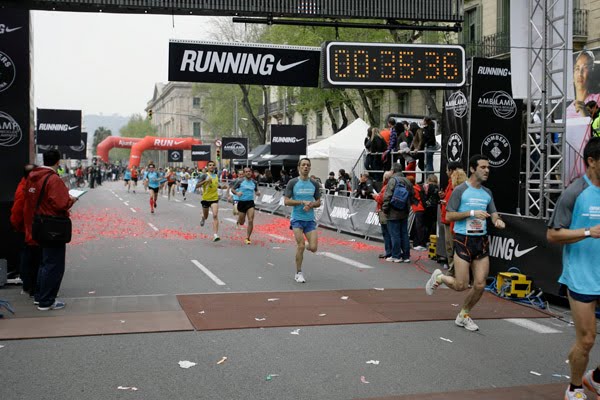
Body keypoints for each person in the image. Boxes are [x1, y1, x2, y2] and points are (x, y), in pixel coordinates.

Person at [425, 155, 506, 332]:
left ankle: (463, 315)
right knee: (461, 285)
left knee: (480, 284)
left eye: (488, 168)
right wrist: (471, 213)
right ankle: (440, 277)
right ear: (472, 169)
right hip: (463, 240)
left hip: (481, 241)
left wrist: (497, 221)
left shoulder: (487, 192)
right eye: (483, 167)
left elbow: (493, 213)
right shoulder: (460, 190)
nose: (487, 170)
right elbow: (449, 215)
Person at [547, 137, 600, 400]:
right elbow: (553, 235)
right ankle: (575, 387)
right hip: (581, 275)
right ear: (592, 161)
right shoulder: (574, 192)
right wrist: (589, 231)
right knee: (587, 339)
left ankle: (596, 378)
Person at [24, 150, 78, 311]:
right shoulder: (53, 179)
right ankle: (46, 300)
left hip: (38, 223)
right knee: (53, 264)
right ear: (58, 162)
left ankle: (40, 296)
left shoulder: (33, 176)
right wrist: (72, 200)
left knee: (44, 262)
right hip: (52, 227)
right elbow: (61, 203)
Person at [284, 158, 322, 283]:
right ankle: (298, 273)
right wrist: (301, 202)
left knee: (313, 248)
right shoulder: (293, 182)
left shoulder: (314, 183)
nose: (306, 167)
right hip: (297, 219)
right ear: (299, 167)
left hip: (310, 220)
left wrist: (311, 204)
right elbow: (286, 201)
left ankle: (305, 244)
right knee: (300, 246)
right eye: (303, 165)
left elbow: (318, 202)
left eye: (308, 165)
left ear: (310, 168)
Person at [10, 164, 40, 299]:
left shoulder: (26, 186)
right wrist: (18, 226)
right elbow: (17, 212)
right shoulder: (24, 190)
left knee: (28, 258)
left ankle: (29, 285)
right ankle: (29, 286)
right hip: (26, 229)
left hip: (26, 228)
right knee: (29, 259)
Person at [382, 163, 414, 263]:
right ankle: (406, 256)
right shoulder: (407, 180)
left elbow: (387, 196)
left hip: (393, 211)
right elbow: (412, 195)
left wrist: (385, 209)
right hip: (404, 211)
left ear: (393, 170)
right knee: (404, 234)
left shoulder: (392, 180)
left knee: (394, 234)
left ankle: (396, 256)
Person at [439, 162, 464, 274]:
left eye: (447, 170)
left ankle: (454, 271)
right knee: (449, 246)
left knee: (453, 246)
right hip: (448, 219)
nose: (446, 172)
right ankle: (452, 269)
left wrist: (447, 202)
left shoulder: (457, 186)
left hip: (453, 220)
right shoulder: (451, 184)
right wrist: (444, 197)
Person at [197, 161, 228, 242]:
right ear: (207, 167)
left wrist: (222, 187)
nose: (212, 166)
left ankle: (215, 235)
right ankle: (203, 217)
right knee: (206, 216)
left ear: (215, 167)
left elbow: (216, 185)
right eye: (210, 165)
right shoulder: (204, 175)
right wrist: (205, 181)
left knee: (215, 215)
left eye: (213, 165)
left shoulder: (216, 176)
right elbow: (197, 185)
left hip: (214, 198)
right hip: (205, 199)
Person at [231, 167, 261, 244]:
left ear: (251, 172)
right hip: (242, 203)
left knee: (250, 220)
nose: (248, 173)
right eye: (246, 171)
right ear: (244, 173)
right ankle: (239, 221)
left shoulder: (254, 182)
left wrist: (258, 193)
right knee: (242, 222)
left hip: (250, 203)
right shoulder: (240, 181)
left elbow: (256, 190)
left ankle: (248, 238)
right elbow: (232, 189)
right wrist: (237, 193)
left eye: (249, 171)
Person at [567, 51, 600, 119]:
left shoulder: (598, 99)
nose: (580, 74)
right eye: (577, 69)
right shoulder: (568, 111)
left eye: (585, 68)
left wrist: (585, 115)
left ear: (591, 73)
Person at [375, 170, 393, 259]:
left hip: (384, 211)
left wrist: (376, 197)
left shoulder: (386, 187)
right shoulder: (389, 186)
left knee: (386, 232)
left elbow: (382, 199)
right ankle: (391, 251)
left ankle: (388, 251)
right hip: (388, 211)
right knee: (389, 232)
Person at [407, 175, 427, 251]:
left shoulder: (413, 189)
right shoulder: (418, 187)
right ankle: (418, 243)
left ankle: (421, 244)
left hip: (417, 209)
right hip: (420, 208)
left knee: (418, 228)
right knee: (418, 227)